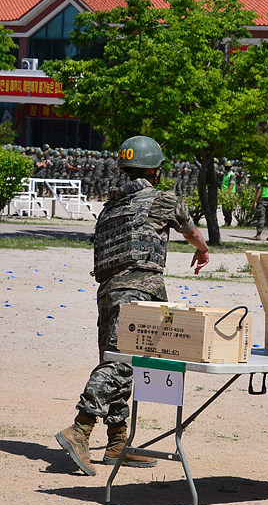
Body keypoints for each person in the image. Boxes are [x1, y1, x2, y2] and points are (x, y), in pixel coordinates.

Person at [56, 135, 210, 477]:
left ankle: (117, 442)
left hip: (109, 291)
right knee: (123, 362)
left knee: (115, 360)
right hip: (141, 290)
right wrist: (202, 250)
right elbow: (192, 232)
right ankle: (80, 428)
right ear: (155, 170)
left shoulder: (111, 208)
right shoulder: (162, 200)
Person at [252, 170, 268, 241]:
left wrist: (255, 201)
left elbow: (259, 189)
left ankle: (259, 234)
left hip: (263, 197)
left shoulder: (262, 176)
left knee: (261, 217)